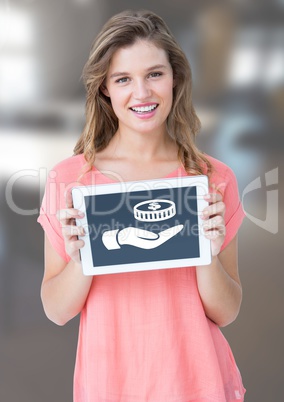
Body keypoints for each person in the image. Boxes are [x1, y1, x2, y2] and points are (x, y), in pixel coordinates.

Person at [38, 9, 246, 402]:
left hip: (198, 385)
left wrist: (207, 253)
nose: (142, 93)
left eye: (155, 74)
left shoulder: (212, 179)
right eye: (123, 79)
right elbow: (56, 309)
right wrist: (85, 254)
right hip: (110, 386)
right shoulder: (71, 182)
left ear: (175, 78)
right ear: (105, 89)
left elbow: (227, 311)